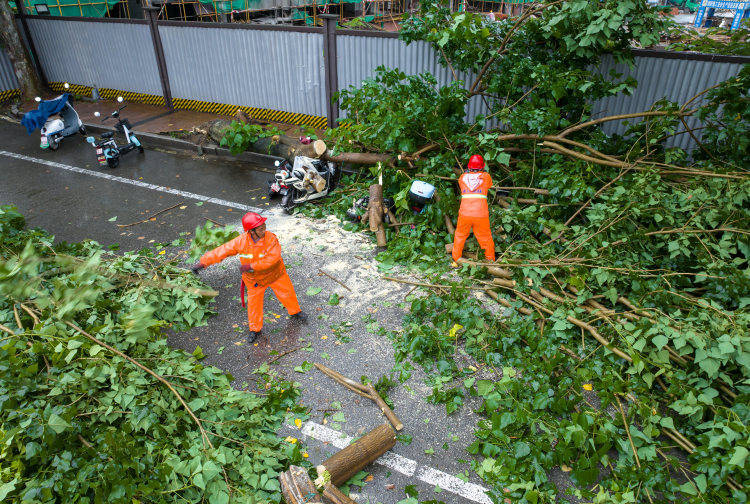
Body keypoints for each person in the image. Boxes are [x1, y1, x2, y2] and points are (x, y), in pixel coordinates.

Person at [191, 212, 306, 343]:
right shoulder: (241, 242)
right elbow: (222, 250)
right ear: (251, 231)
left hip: (275, 275)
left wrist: (252, 266)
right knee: (254, 306)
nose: (264, 229)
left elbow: (273, 258)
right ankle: (255, 329)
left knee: (287, 293)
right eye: (261, 228)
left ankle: (296, 312)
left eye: (264, 226)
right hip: (255, 281)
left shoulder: (271, 238)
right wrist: (203, 263)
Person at [451, 154, 496, 263]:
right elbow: (489, 185)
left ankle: (456, 259)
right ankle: (490, 261)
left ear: (469, 166)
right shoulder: (486, 177)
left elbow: (463, 181)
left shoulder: (462, 178)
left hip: (464, 213)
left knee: (460, 235)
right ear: (482, 167)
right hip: (481, 214)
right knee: (485, 237)